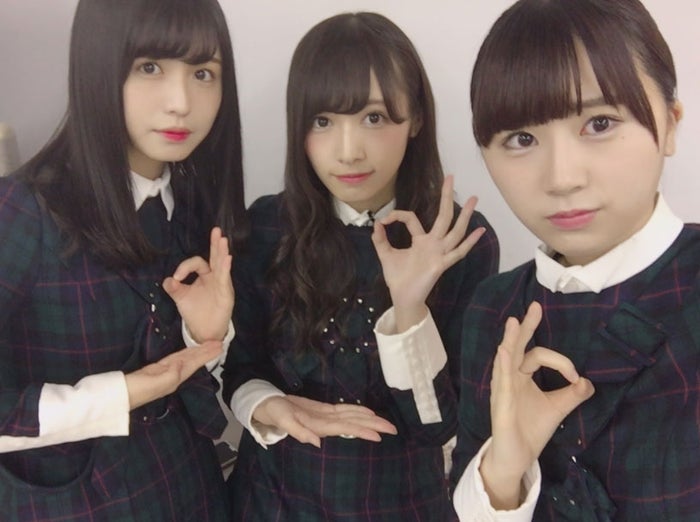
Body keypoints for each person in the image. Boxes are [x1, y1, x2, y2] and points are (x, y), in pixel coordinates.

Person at [220, 12, 499, 521]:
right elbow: (242, 367)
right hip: (274, 497)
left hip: (403, 503)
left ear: (415, 119)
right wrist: (264, 405)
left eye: (374, 118)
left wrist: (409, 310)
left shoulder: (457, 242)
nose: (348, 152)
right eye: (323, 121)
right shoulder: (265, 228)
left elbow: (440, 425)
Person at [445, 0, 698, 520]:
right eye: (522, 139)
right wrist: (503, 473)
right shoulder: (493, 309)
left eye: (600, 123)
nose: (562, 178)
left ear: (671, 124)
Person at [0, 0, 247, 520]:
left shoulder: (197, 206)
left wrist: (205, 337)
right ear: (97, 66)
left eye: (203, 73)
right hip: (71, 503)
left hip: (191, 489)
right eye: (150, 67)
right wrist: (118, 395)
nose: (181, 102)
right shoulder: (24, 211)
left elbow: (199, 382)